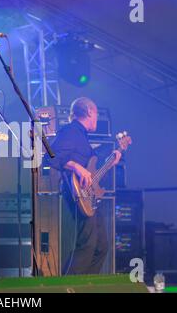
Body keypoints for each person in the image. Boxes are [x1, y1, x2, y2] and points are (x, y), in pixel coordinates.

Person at [47, 97, 121, 274]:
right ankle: (66, 288)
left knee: (101, 247)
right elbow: (51, 157)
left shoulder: (82, 136)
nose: (96, 119)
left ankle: (85, 286)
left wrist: (111, 162)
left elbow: (92, 173)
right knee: (87, 245)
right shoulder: (71, 131)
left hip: (90, 196)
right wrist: (76, 167)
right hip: (78, 195)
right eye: (96, 114)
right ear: (89, 112)